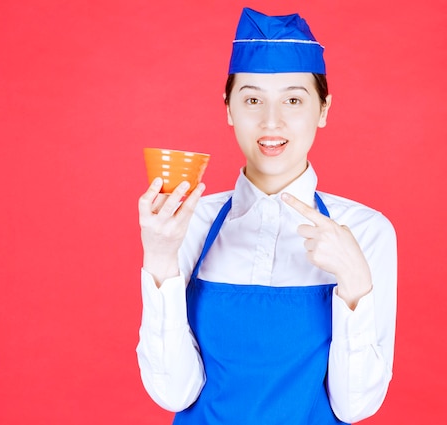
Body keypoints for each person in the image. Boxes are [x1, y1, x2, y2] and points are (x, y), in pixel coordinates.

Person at [136, 7, 397, 425]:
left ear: (324, 109)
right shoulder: (189, 221)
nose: (271, 121)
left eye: (293, 100)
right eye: (253, 99)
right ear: (228, 108)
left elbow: (355, 406)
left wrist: (355, 283)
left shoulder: (366, 232)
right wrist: (161, 258)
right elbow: (172, 392)